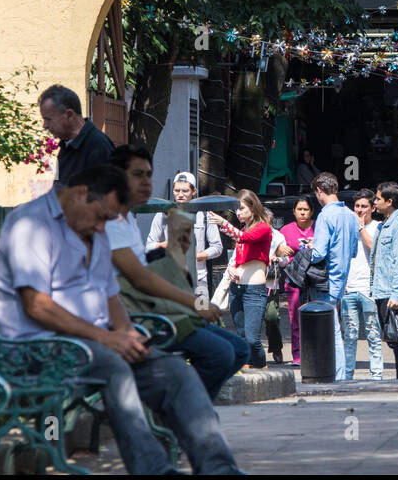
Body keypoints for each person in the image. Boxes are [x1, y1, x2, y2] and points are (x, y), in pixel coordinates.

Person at [0, 163, 240, 474]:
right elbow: (38, 306)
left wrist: (125, 333)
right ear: (81, 194)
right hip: (39, 350)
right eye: (100, 217)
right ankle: (154, 470)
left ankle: (220, 468)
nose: (100, 227)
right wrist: (108, 338)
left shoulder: (92, 228)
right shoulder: (30, 224)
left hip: (95, 347)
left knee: (176, 373)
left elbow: (109, 298)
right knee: (113, 365)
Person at [105, 146, 248, 400]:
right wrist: (173, 252)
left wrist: (184, 254)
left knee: (239, 349)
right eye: (138, 175)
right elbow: (141, 275)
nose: (147, 183)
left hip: (192, 286)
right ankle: (187, 408)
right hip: (146, 314)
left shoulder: (200, 214)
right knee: (222, 353)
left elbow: (215, 249)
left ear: (194, 192)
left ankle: (188, 405)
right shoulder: (117, 222)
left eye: (149, 175)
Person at [212, 190, 273, 370]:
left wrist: (223, 223)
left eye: (241, 209)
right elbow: (240, 255)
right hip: (237, 288)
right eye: (236, 210)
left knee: (252, 338)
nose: (238, 213)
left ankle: (261, 366)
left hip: (254, 290)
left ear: (253, 208)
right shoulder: (245, 228)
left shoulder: (263, 227)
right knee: (241, 335)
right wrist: (232, 268)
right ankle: (246, 365)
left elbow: (244, 238)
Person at [308, 172, 357, 382]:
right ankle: (340, 373)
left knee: (329, 329)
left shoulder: (325, 215)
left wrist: (308, 248)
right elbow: (353, 251)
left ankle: (334, 374)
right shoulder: (350, 215)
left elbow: (318, 253)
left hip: (324, 279)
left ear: (319, 190)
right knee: (335, 327)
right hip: (341, 279)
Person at [146, 171, 223, 299]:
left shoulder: (204, 214)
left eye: (185, 191)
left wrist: (197, 256)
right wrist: (166, 245)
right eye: (177, 190)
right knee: (175, 317)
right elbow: (149, 245)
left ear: (194, 191)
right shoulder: (163, 214)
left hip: (199, 281)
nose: (180, 195)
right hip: (171, 279)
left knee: (201, 313)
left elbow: (217, 247)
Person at [371, 181, 398, 380]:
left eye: (378, 198)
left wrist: (396, 295)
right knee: (393, 337)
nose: (375, 201)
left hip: (393, 292)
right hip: (383, 289)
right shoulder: (385, 224)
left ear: (389, 201)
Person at [340, 189, 383, 380]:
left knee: (373, 334)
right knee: (349, 336)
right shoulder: (348, 226)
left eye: (364, 206)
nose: (359, 210)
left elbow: (373, 247)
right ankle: (347, 374)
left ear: (373, 208)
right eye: (356, 206)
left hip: (369, 290)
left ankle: (377, 374)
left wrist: (360, 228)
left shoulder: (378, 226)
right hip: (349, 288)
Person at [39, 84, 114, 183]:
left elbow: (104, 194)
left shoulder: (98, 146)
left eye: (48, 119)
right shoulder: (66, 146)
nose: (45, 125)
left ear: (69, 115)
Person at [272, 197, 313, 366]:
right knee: (296, 319)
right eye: (299, 209)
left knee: (316, 318)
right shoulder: (286, 230)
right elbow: (274, 250)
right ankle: (298, 356)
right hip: (294, 280)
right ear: (294, 211)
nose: (302, 213)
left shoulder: (319, 227)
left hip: (315, 279)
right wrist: (279, 249)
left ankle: (316, 353)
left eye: (306, 209)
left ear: (312, 211)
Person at [263, 222, 289, 363]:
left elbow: (285, 260)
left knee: (272, 316)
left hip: (270, 284)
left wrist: (277, 259)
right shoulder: (247, 232)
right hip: (250, 282)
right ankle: (253, 353)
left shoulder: (278, 236)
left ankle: (276, 347)